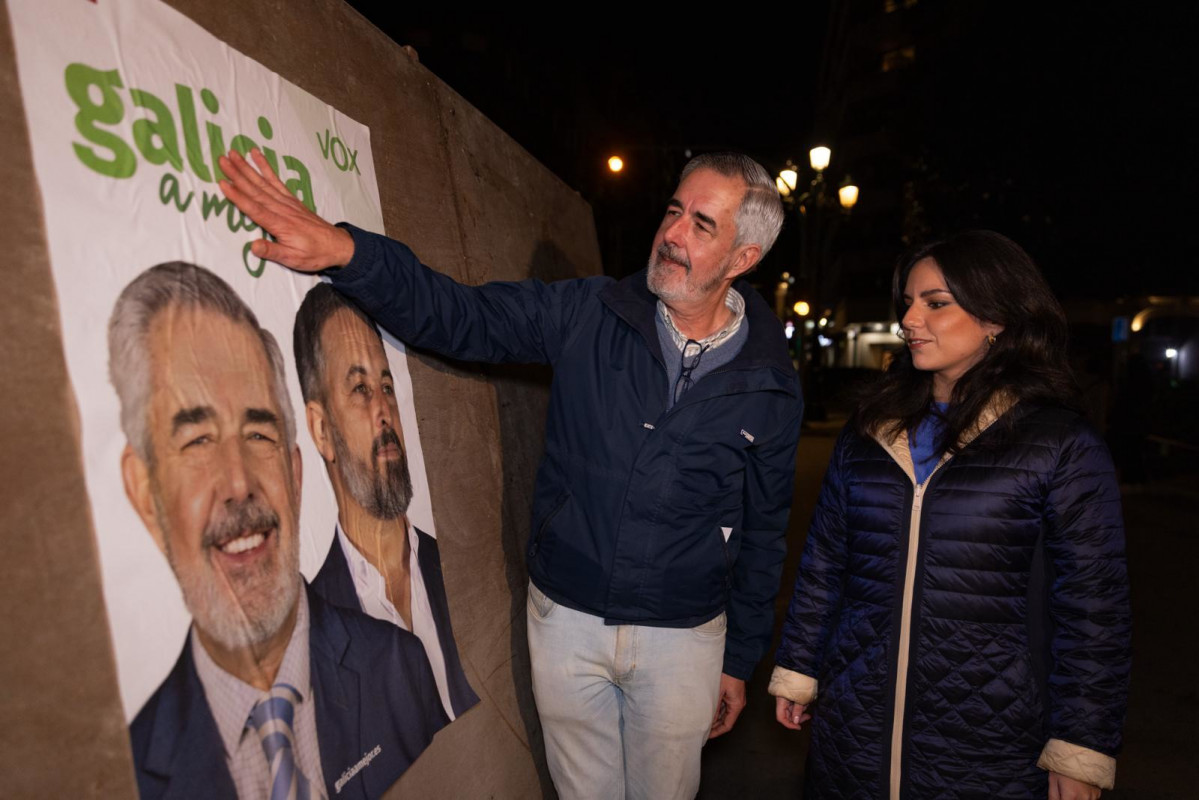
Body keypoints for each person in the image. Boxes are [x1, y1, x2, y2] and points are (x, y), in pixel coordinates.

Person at [218, 148, 802, 800]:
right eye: (673, 210)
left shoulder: (769, 387)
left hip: (684, 641)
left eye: (701, 225)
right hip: (567, 625)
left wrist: (740, 659)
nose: (670, 235)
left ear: (742, 259)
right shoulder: (591, 313)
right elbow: (464, 318)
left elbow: (764, 532)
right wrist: (348, 254)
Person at [770, 231, 1130, 800]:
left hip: (990, 745)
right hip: (854, 731)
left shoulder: (1059, 443)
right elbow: (825, 562)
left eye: (936, 303)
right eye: (908, 303)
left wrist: (1081, 748)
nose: (910, 319)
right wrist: (799, 667)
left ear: (997, 318)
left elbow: (1094, 609)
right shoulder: (870, 431)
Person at [109, 262, 448, 799]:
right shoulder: (124, 777)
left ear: (294, 471)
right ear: (144, 492)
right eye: (197, 440)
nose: (239, 483)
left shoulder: (398, 666)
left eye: (258, 432)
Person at [294, 282, 480, 719]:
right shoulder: (314, 634)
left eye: (387, 386)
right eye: (360, 389)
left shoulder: (446, 568)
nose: (383, 410)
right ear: (321, 431)